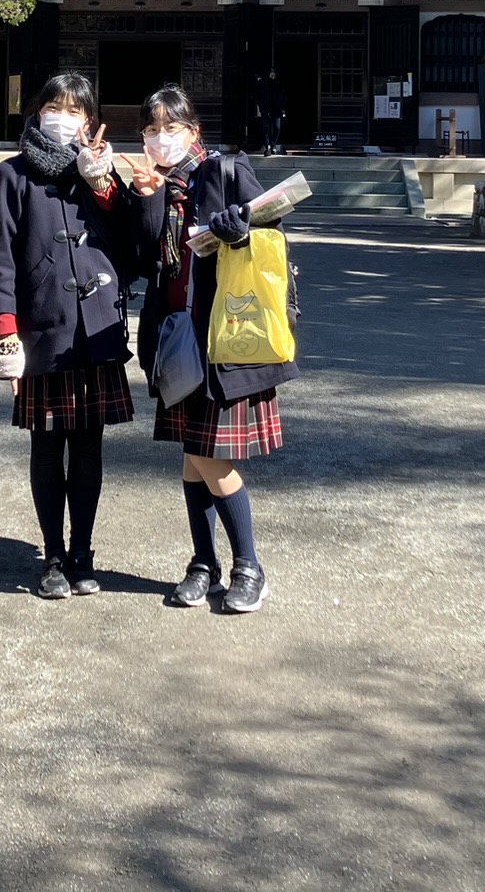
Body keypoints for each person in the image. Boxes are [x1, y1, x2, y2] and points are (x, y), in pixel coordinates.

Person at [123, 85, 297, 613]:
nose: (160, 138)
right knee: (192, 458)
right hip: (176, 336)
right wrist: (146, 198)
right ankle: (203, 564)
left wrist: (241, 234)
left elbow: (273, 238)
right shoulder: (154, 184)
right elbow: (142, 260)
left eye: (170, 127)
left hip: (225, 337)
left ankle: (249, 567)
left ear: (193, 131)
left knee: (211, 458)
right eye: (151, 129)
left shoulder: (226, 170)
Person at [0, 74, 134, 599]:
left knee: (89, 450)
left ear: (90, 122)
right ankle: (52, 556)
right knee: (47, 449)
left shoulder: (101, 174)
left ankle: (82, 553)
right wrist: (4, 335)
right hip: (42, 329)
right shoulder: (11, 175)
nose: (62, 118)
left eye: (75, 111)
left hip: (96, 328)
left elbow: (132, 244)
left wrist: (103, 186)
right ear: (37, 112)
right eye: (54, 107)